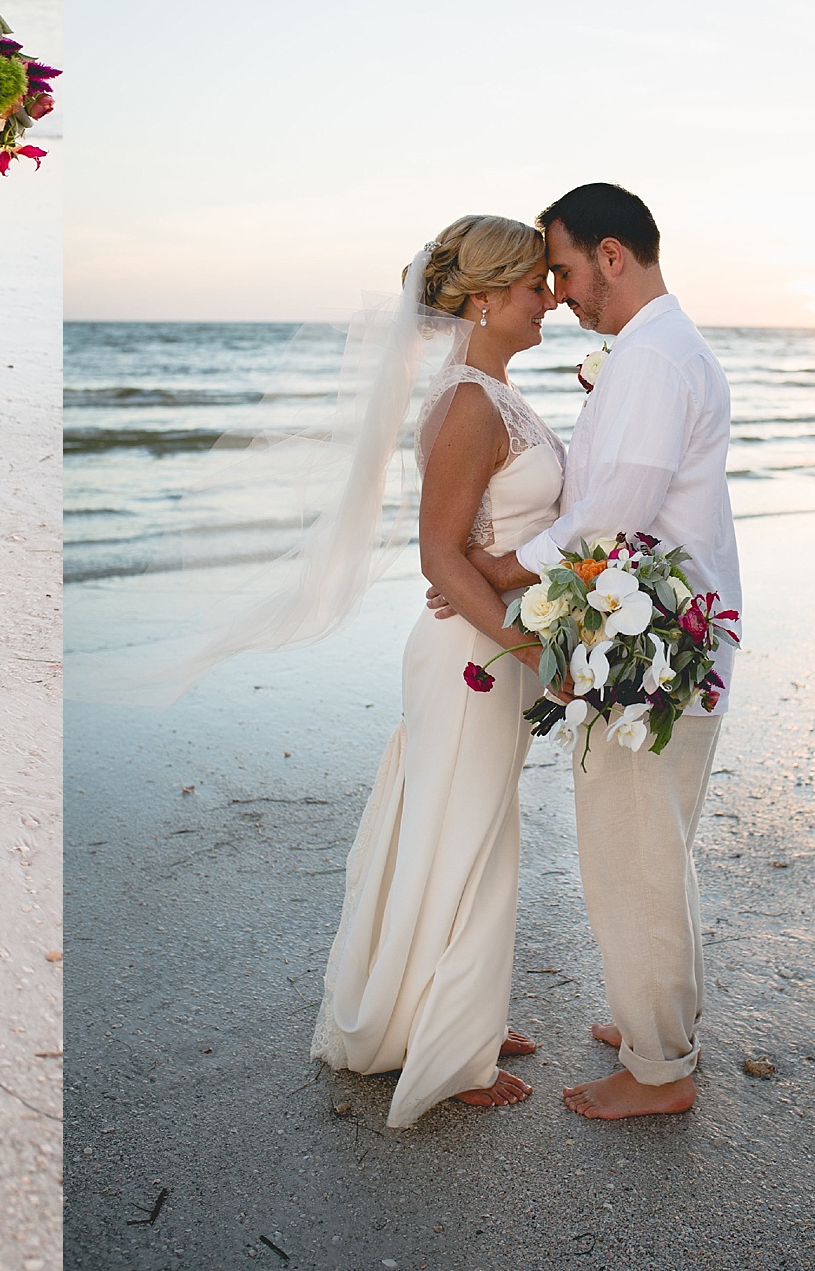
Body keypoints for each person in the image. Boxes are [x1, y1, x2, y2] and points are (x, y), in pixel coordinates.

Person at [443, 181, 741, 1120]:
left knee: (633, 855)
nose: (561, 294)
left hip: (647, 649)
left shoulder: (650, 362)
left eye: (566, 271)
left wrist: (499, 565)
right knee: (660, 846)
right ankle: (660, 1023)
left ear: (613, 255)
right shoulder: (660, 349)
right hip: (672, 636)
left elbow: (612, 512)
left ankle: (659, 1071)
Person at [310, 216, 564, 1126]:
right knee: (458, 831)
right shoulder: (468, 403)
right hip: (475, 656)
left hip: (488, 644)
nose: (552, 298)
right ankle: (446, 1048)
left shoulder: (496, 392)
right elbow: (438, 555)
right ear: (488, 299)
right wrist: (533, 646)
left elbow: (492, 546)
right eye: (536, 285)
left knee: (475, 827)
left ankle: (459, 1012)